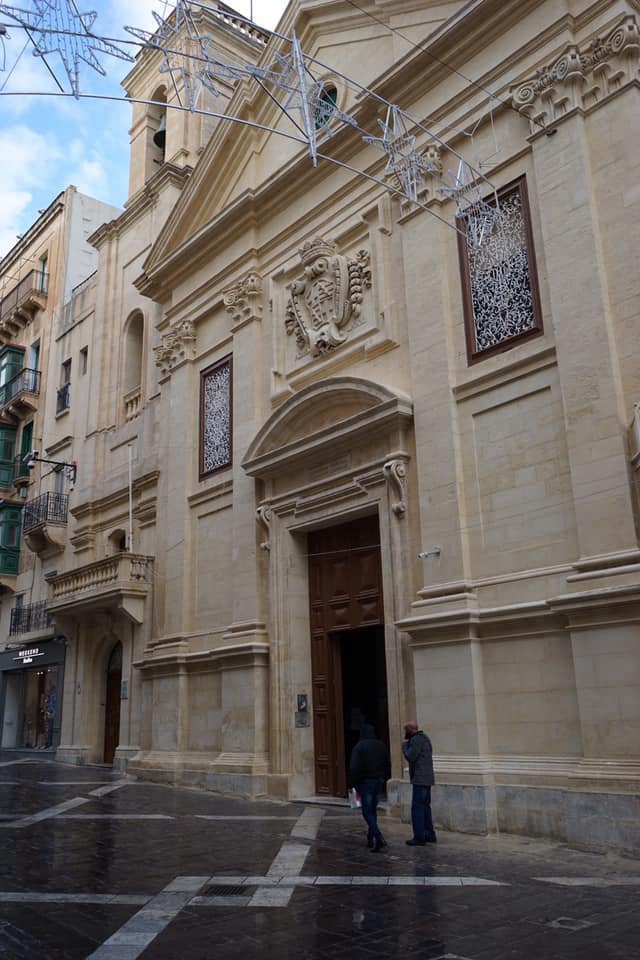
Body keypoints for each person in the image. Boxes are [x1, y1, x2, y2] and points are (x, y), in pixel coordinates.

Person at [348, 722, 391, 852]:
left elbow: (354, 767)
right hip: (378, 781)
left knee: (367, 811)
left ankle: (378, 837)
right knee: (372, 810)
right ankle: (370, 837)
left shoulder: (359, 746)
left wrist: (352, 783)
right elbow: (387, 763)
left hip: (365, 783)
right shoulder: (381, 745)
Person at [402, 720, 436, 845]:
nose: (404, 733)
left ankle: (419, 837)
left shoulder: (415, 740)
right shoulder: (425, 738)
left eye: (405, 730)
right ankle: (429, 834)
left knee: (417, 808)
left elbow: (410, 756)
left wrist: (404, 746)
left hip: (420, 779)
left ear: (410, 730)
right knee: (425, 807)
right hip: (427, 779)